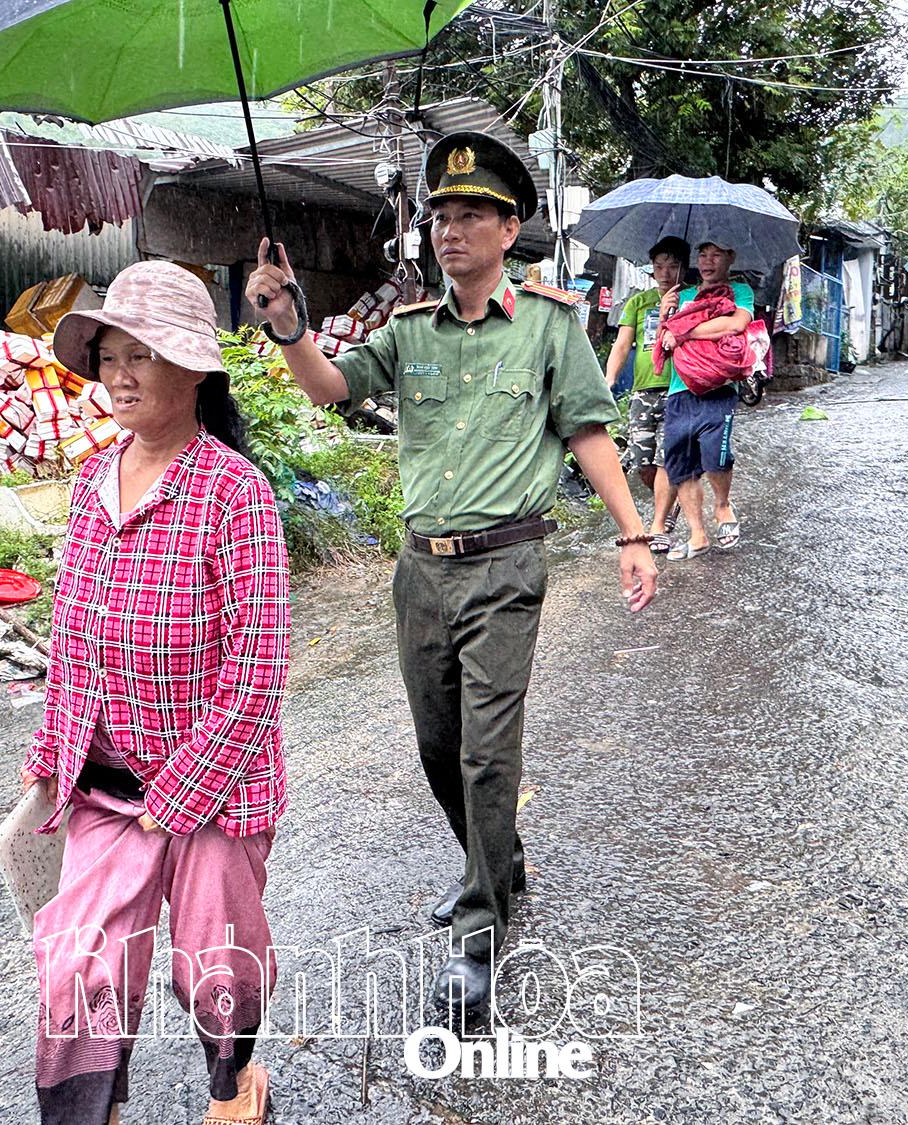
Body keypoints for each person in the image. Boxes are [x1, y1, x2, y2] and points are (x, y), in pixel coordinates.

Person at [245, 131, 658, 1014]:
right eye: (440, 214)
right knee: (438, 746)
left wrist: (633, 533)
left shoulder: (548, 325)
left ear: (509, 231)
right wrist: (288, 324)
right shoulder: (408, 333)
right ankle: (497, 862)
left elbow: (588, 431)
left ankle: (480, 928)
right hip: (421, 572)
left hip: (506, 565)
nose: (450, 229)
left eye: (472, 214)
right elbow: (328, 387)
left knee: (485, 750)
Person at [23, 261, 291, 1125]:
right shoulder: (89, 484)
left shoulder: (234, 492)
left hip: (215, 786)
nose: (121, 374)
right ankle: (83, 1111)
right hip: (107, 786)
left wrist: (176, 799)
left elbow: (258, 669)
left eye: (142, 355)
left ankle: (234, 1084)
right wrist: (51, 752)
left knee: (215, 963)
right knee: (78, 965)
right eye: (110, 356)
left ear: (195, 370)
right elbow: (73, 635)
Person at [658, 240, 748, 560]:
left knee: (715, 455)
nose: (708, 262)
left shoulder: (740, 292)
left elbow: (735, 324)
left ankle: (722, 506)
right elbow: (664, 343)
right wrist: (665, 313)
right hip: (680, 389)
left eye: (716, 255)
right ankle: (697, 535)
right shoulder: (681, 297)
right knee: (681, 465)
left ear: (730, 257)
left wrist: (684, 331)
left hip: (718, 387)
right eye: (703, 255)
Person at [604, 236, 690, 553]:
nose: (665, 273)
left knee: (667, 458)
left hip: (679, 389)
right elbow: (622, 345)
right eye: (659, 266)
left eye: (673, 266)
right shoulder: (638, 303)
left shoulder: (692, 299)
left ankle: (658, 525)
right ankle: (671, 502)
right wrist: (609, 379)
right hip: (643, 390)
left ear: (685, 267)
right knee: (642, 462)